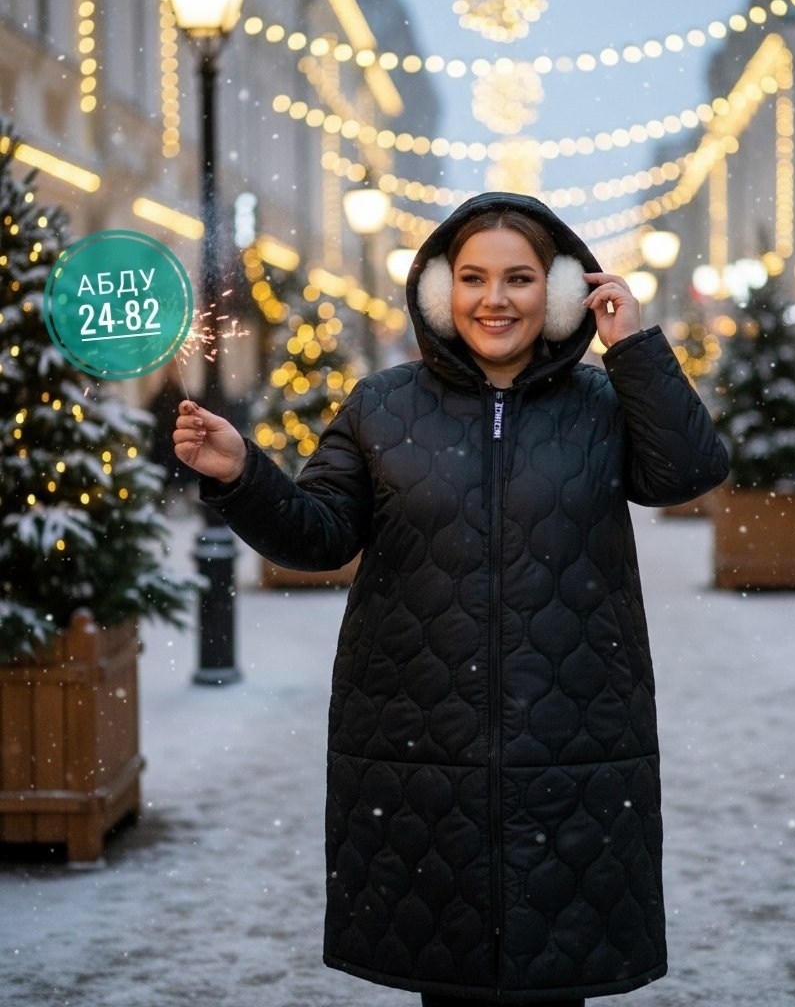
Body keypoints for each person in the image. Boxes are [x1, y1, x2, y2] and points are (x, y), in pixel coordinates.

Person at [174, 192, 729, 1006]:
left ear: (563, 290)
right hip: (420, 747)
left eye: (519, 278)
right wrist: (241, 476)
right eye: (472, 278)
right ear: (439, 291)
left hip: (571, 747)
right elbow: (321, 534)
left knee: (554, 977)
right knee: (447, 974)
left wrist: (635, 347)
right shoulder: (383, 405)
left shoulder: (604, 405)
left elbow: (687, 473)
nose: (493, 300)